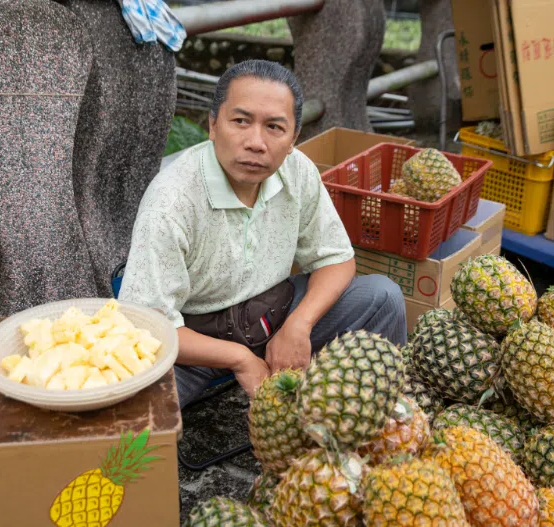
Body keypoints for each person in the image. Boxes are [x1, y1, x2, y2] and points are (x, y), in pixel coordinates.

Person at [119, 59, 406, 409]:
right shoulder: (172, 200)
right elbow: (148, 326)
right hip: (192, 341)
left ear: (293, 138)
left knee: (383, 297)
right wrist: (240, 357)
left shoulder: (298, 170)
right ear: (212, 125)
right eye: (240, 121)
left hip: (274, 313)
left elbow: (337, 259)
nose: (256, 142)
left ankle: (378, 424)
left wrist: (299, 325)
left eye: (274, 127)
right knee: (129, 408)